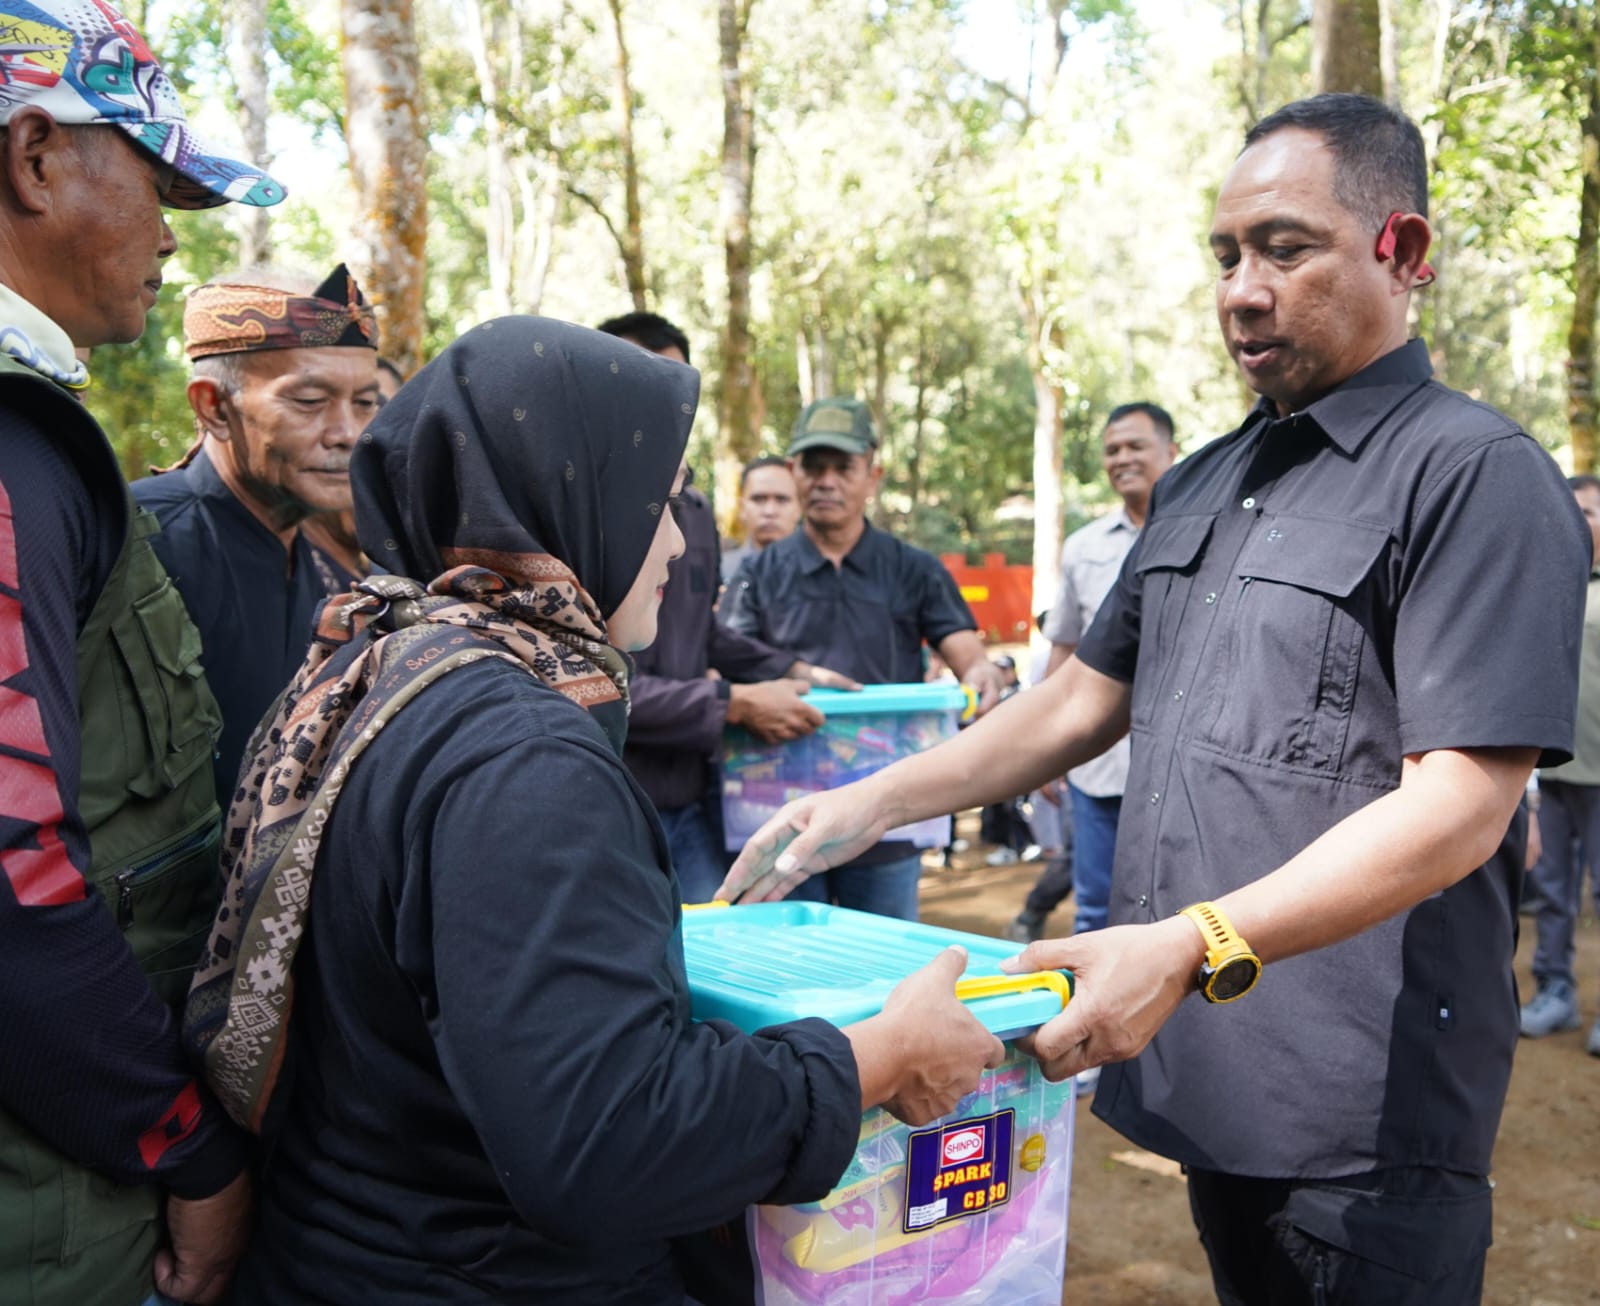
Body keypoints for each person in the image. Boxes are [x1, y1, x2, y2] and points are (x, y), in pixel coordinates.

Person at [719, 94, 1589, 1305]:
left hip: (1360, 1106)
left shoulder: (1473, 477)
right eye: (1225, 255)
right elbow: (1081, 698)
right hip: (1203, 1063)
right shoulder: (1205, 482)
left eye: (1285, 248)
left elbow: (1459, 807)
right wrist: (866, 803)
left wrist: (1194, 943)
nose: (1242, 290)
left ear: (1402, 250)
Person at [181, 317, 1005, 1304]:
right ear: (563, 501)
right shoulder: (524, 759)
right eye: (658, 501)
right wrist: (879, 1055)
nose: (675, 543)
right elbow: (607, 1138)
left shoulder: (384, 666)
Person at [0, 3, 284, 1302]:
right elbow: (14, 869)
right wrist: (189, 1149)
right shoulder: (13, 446)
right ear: (35, 158)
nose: (172, 234)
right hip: (54, 1200)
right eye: (155, 183)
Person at [595, 312, 856, 900]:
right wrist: (732, 702)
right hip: (612, 796)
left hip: (692, 797)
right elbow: (589, 677)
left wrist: (790, 669)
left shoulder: (693, 510)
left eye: (673, 388)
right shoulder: (576, 513)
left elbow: (700, 631)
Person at [722, 397, 1005, 920]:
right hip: (781, 809)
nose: (826, 481)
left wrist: (981, 671)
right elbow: (728, 661)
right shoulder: (757, 574)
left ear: (873, 475)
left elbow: (965, 650)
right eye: (813, 466)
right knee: (789, 953)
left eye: (843, 467)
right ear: (794, 472)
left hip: (887, 812)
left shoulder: (914, 568)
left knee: (883, 957)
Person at [132, 265, 381, 805]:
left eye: (365, 404)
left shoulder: (330, 572)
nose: (348, 434)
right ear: (214, 407)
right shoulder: (139, 545)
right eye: (309, 401)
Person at [1009, 402, 1177, 944]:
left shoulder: (1210, 533)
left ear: (1171, 451)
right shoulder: (1083, 548)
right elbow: (1064, 650)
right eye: (1112, 450)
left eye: (1135, 446)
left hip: (1181, 765)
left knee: (1180, 911)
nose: (1122, 458)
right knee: (1095, 911)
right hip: (1099, 766)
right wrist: (1046, 749)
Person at [1520, 473, 1600, 1055]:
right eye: (1573, 510)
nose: (1582, 520)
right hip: (1552, 774)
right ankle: (1555, 990)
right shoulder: (1545, 584)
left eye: (1592, 511)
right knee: (1550, 891)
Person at [722, 455, 801, 582]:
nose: (769, 511)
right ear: (741, 507)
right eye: (758, 499)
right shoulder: (721, 572)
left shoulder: (823, 572)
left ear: (800, 507)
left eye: (782, 499)